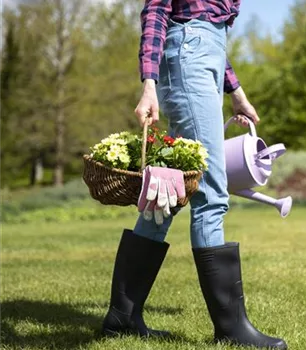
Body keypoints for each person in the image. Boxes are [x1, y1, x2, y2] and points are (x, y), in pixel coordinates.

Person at [100, 1, 287, 349]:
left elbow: (208, 26)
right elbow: (158, 12)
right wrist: (149, 84)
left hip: (207, 54)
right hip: (189, 56)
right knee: (211, 194)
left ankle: (122, 317)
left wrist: (237, 93)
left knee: (166, 196)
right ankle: (232, 329)